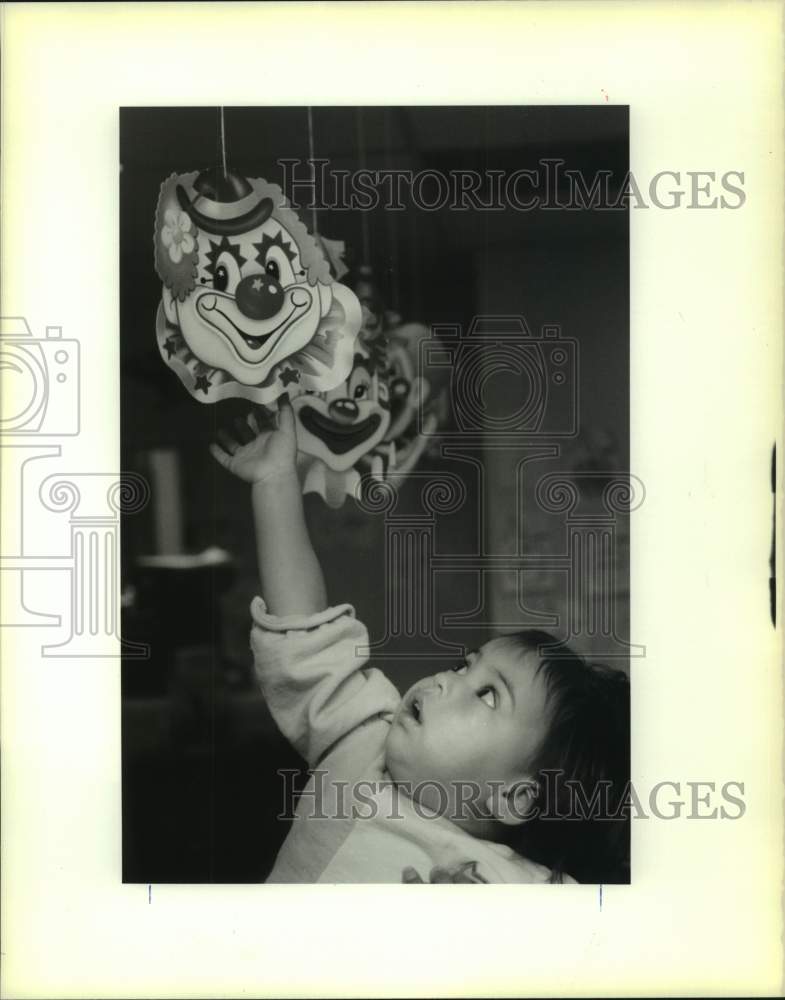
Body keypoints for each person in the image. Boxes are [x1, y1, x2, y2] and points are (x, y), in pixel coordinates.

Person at [211, 399, 630, 884]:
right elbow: (306, 630)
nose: (447, 682)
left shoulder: (522, 894)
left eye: (488, 694)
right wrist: (275, 482)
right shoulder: (363, 743)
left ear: (515, 797)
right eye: (464, 666)